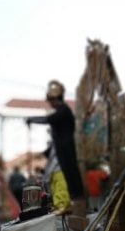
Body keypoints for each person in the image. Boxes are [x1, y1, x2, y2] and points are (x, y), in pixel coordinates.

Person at [26, 80, 86, 219]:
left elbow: (48, 119)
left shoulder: (63, 110)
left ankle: (77, 201)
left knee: (70, 173)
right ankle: (72, 202)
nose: (50, 103)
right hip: (60, 147)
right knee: (67, 173)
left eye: (51, 100)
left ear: (56, 99)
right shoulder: (60, 110)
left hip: (66, 147)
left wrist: (32, 119)